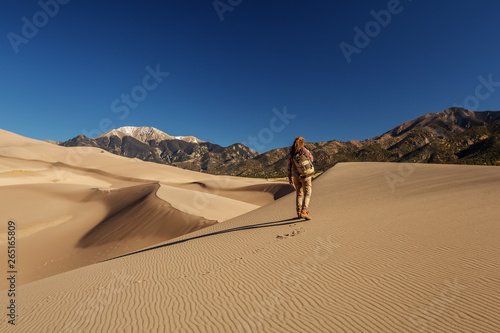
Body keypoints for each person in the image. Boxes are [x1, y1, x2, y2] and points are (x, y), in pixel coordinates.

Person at [287, 136, 313, 220]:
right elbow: (311, 160)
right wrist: (309, 153)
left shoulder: (292, 153)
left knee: (299, 194)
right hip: (305, 176)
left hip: (296, 177)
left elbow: (289, 166)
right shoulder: (304, 150)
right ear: (302, 143)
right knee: (307, 193)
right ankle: (304, 211)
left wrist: (290, 178)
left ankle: (298, 212)